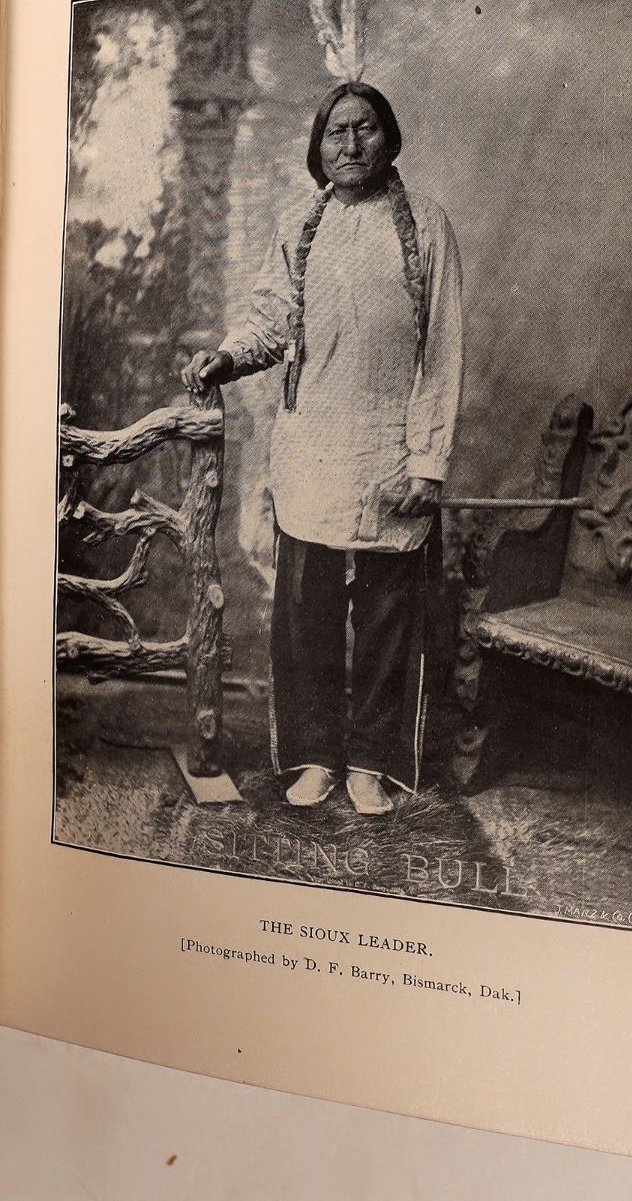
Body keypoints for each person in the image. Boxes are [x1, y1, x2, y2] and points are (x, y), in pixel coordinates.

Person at [184, 81, 462, 816]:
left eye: (364, 128)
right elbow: (270, 322)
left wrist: (427, 462)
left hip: (389, 447)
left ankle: (370, 764)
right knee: (304, 615)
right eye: (336, 132)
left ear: (389, 136)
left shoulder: (427, 225)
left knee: (385, 619)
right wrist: (226, 357)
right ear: (318, 146)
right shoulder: (298, 224)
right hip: (311, 445)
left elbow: (443, 349)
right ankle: (314, 757)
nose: (351, 144)